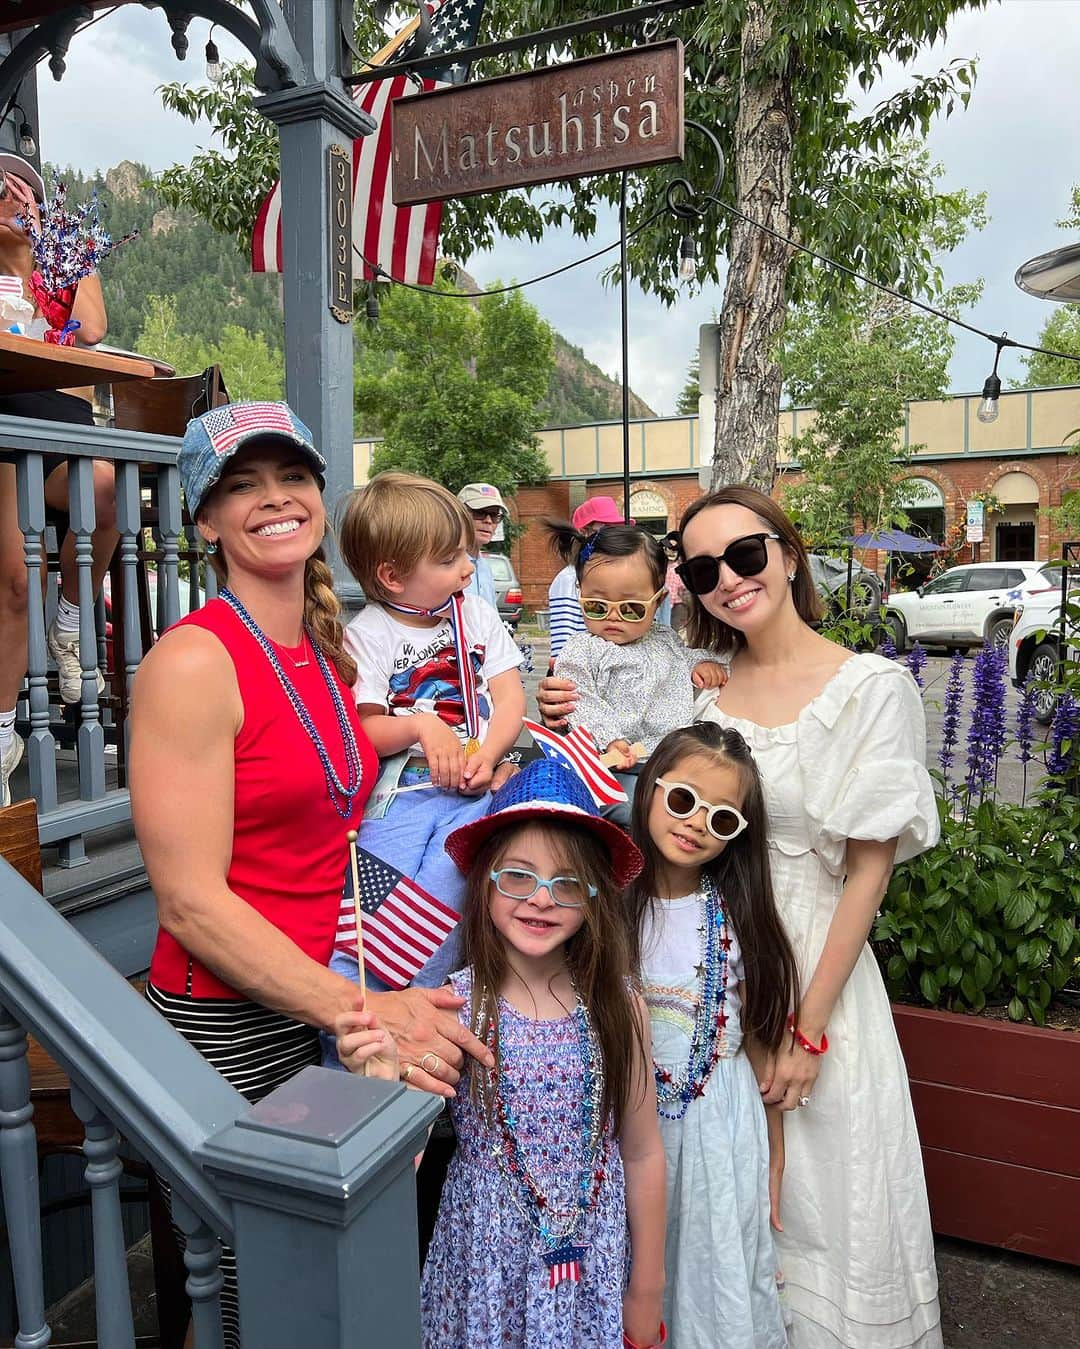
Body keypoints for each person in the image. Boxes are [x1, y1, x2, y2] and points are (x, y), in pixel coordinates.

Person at [537, 484, 942, 1349]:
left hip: (813, 976)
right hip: (700, 976)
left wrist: (810, 1030)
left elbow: (868, 874)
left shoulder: (869, 686)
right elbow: (642, 780)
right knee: (710, 1219)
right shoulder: (700, 690)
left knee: (821, 1212)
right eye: (703, 566)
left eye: (747, 554)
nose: (729, 577)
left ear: (789, 553)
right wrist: (570, 712)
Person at [130, 404, 491, 1348]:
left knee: (341, 1268)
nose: (274, 498)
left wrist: (403, 994)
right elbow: (191, 903)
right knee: (265, 1288)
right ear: (205, 521)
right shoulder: (194, 661)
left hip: (325, 995)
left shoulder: (326, 654)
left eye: (289, 475)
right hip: (231, 1019)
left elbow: (336, 843)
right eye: (241, 484)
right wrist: (360, 1011)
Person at [420, 758, 667, 1349]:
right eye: (518, 876)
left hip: (592, 1263)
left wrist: (647, 1290)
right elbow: (404, 1154)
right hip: (483, 1263)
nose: (540, 900)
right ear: (485, 880)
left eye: (567, 883)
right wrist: (377, 1072)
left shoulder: (619, 1003)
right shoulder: (454, 1007)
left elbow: (642, 1152)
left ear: (594, 897)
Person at [627, 723, 799, 1348]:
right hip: (621, 1127)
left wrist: (774, 1149)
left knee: (706, 1274)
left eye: (722, 819)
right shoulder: (605, 902)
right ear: (649, 787)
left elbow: (755, 1042)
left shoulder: (736, 916)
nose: (697, 823)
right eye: (682, 801)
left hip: (717, 1132)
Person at [332, 470, 526, 996]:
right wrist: (422, 724)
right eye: (448, 560)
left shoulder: (478, 616)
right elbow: (365, 730)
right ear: (392, 576)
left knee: (447, 884)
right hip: (403, 793)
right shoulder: (368, 634)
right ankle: (354, 1012)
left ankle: (427, 1005)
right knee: (371, 898)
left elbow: (510, 698)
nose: (467, 567)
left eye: (466, 553)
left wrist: (489, 752)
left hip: (474, 785)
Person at [0, 153, 112, 804]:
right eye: (2, 190)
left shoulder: (60, 261)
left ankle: (71, 618)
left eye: (24, 190)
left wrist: (49, 246)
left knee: (103, 486)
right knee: (17, 578)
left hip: (61, 429)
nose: (14, 199)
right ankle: (4, 729)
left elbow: (92, 329)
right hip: (6, 433)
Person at [546, 521, 725, 823]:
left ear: (659, 602)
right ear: (580, 595)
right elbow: (579, 700)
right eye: (596, 606)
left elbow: (685, 656)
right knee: (632, 811)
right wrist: (610, 739)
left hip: (669, 759)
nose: (613, 617)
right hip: (614, 763)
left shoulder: (664, 638)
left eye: (631, 608)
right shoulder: (583, 649)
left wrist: (702, 663)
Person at [546, 495, 628, 667]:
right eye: (607, 528)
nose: (613, 535)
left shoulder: (606, 575)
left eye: (616, 529)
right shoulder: (568, 579)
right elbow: (563, 645)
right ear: (585, 532)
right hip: (580, 676)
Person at [457, 481, 507, 610]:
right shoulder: (444, 565)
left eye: (495, 515)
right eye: (480, 512)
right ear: (459, 514)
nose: (488, 521)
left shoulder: (485, 567)